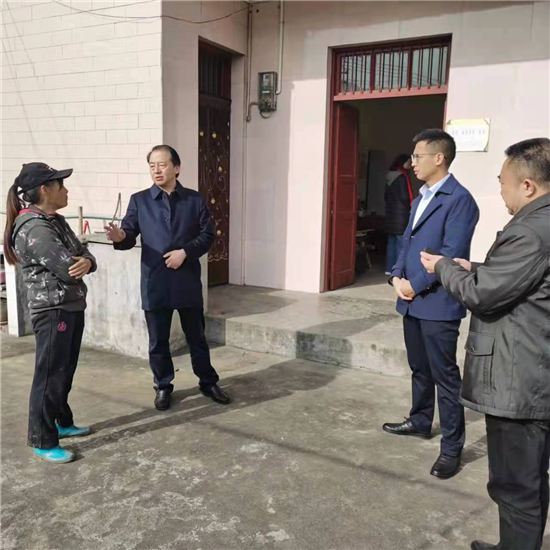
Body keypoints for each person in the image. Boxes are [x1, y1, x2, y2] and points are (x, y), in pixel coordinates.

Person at [420, 138, 550, 550]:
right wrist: (475, 267)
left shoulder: (531, 230)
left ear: (527, 185)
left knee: (515, 485)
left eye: (503, 182)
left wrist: (443, 266)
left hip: (520, 378)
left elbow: (481, 296)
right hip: (531, 369)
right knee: (528, 480)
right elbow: (522, 280)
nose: (501, 191)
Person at [382, 129, 480, 479]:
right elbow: (406, 244)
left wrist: (415, 284)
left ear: (439, 158)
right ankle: (421, 420)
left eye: (418, 156)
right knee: (419, 368)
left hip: (438, 303)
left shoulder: (460, 200)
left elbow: (451, 256)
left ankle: (451, 448)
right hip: (411, 300)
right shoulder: (420, 197)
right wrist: (396, 277)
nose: (412, 163)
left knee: (445, 377)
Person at [105, 145, 230, 410]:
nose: (156, 170)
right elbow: (128, 235)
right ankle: (163, 386)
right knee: (158, 341)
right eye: (152, 166)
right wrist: (120, 237)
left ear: (176, 168)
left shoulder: (194, 199)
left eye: (162, 165)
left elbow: (208, 235)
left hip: (186, 280)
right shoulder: (139, 200)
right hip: (155, 281)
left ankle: (207, 382)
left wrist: (185, 252)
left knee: (197, 338)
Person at [3, 163, 97, 464]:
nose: (66, 190)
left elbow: (83, 253)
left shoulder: (55, 220)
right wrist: (82, 263)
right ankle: (42, 439)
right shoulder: (34, 227)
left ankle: (61, 421)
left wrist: (88, 262)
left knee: (64, 369)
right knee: (49, 374)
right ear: (45, 189)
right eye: (61, 185)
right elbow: (68, 268)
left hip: (70, 304)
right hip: (53, 309)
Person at [384, 153, 414, 275]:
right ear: (402, 162)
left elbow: (386, 196)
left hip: (390, 214)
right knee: (402, 244)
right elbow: (405, 197)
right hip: (401, 216)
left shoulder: (390, 176)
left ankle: (388, 268)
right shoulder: (401, 177)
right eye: (409, 162)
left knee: (391, 243)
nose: (411, 164)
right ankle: (399, 270)